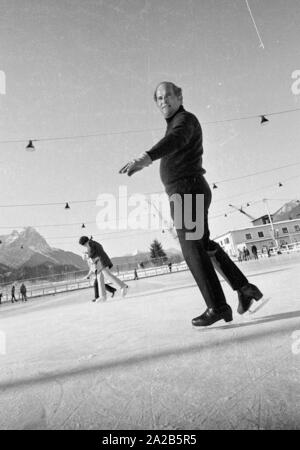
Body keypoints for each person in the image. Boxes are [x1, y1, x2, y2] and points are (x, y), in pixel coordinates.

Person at [119, 81, 263, 326]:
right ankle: (244, 288)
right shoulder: (174, 124)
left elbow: (177, 139)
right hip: (187, 190)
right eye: (159, 99)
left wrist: (147, 157)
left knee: (191, 246)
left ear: (179, 96)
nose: (163, 101)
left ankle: (217, 306)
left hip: (188, 190)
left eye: (167, 96)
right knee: (203, 245)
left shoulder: (185, 121)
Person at [79, 236, 128, 302]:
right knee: (99, 279)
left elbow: (92, 252)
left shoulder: (90, 243)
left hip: (101, 261)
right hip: (99, 262)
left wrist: (87, 255)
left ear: (84, 243)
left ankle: (123, 286)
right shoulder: (93, 243)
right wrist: (88, 254)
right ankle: (103, 296)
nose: (84, 246)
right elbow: (95, 251)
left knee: (107, 275)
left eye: (83, 245)